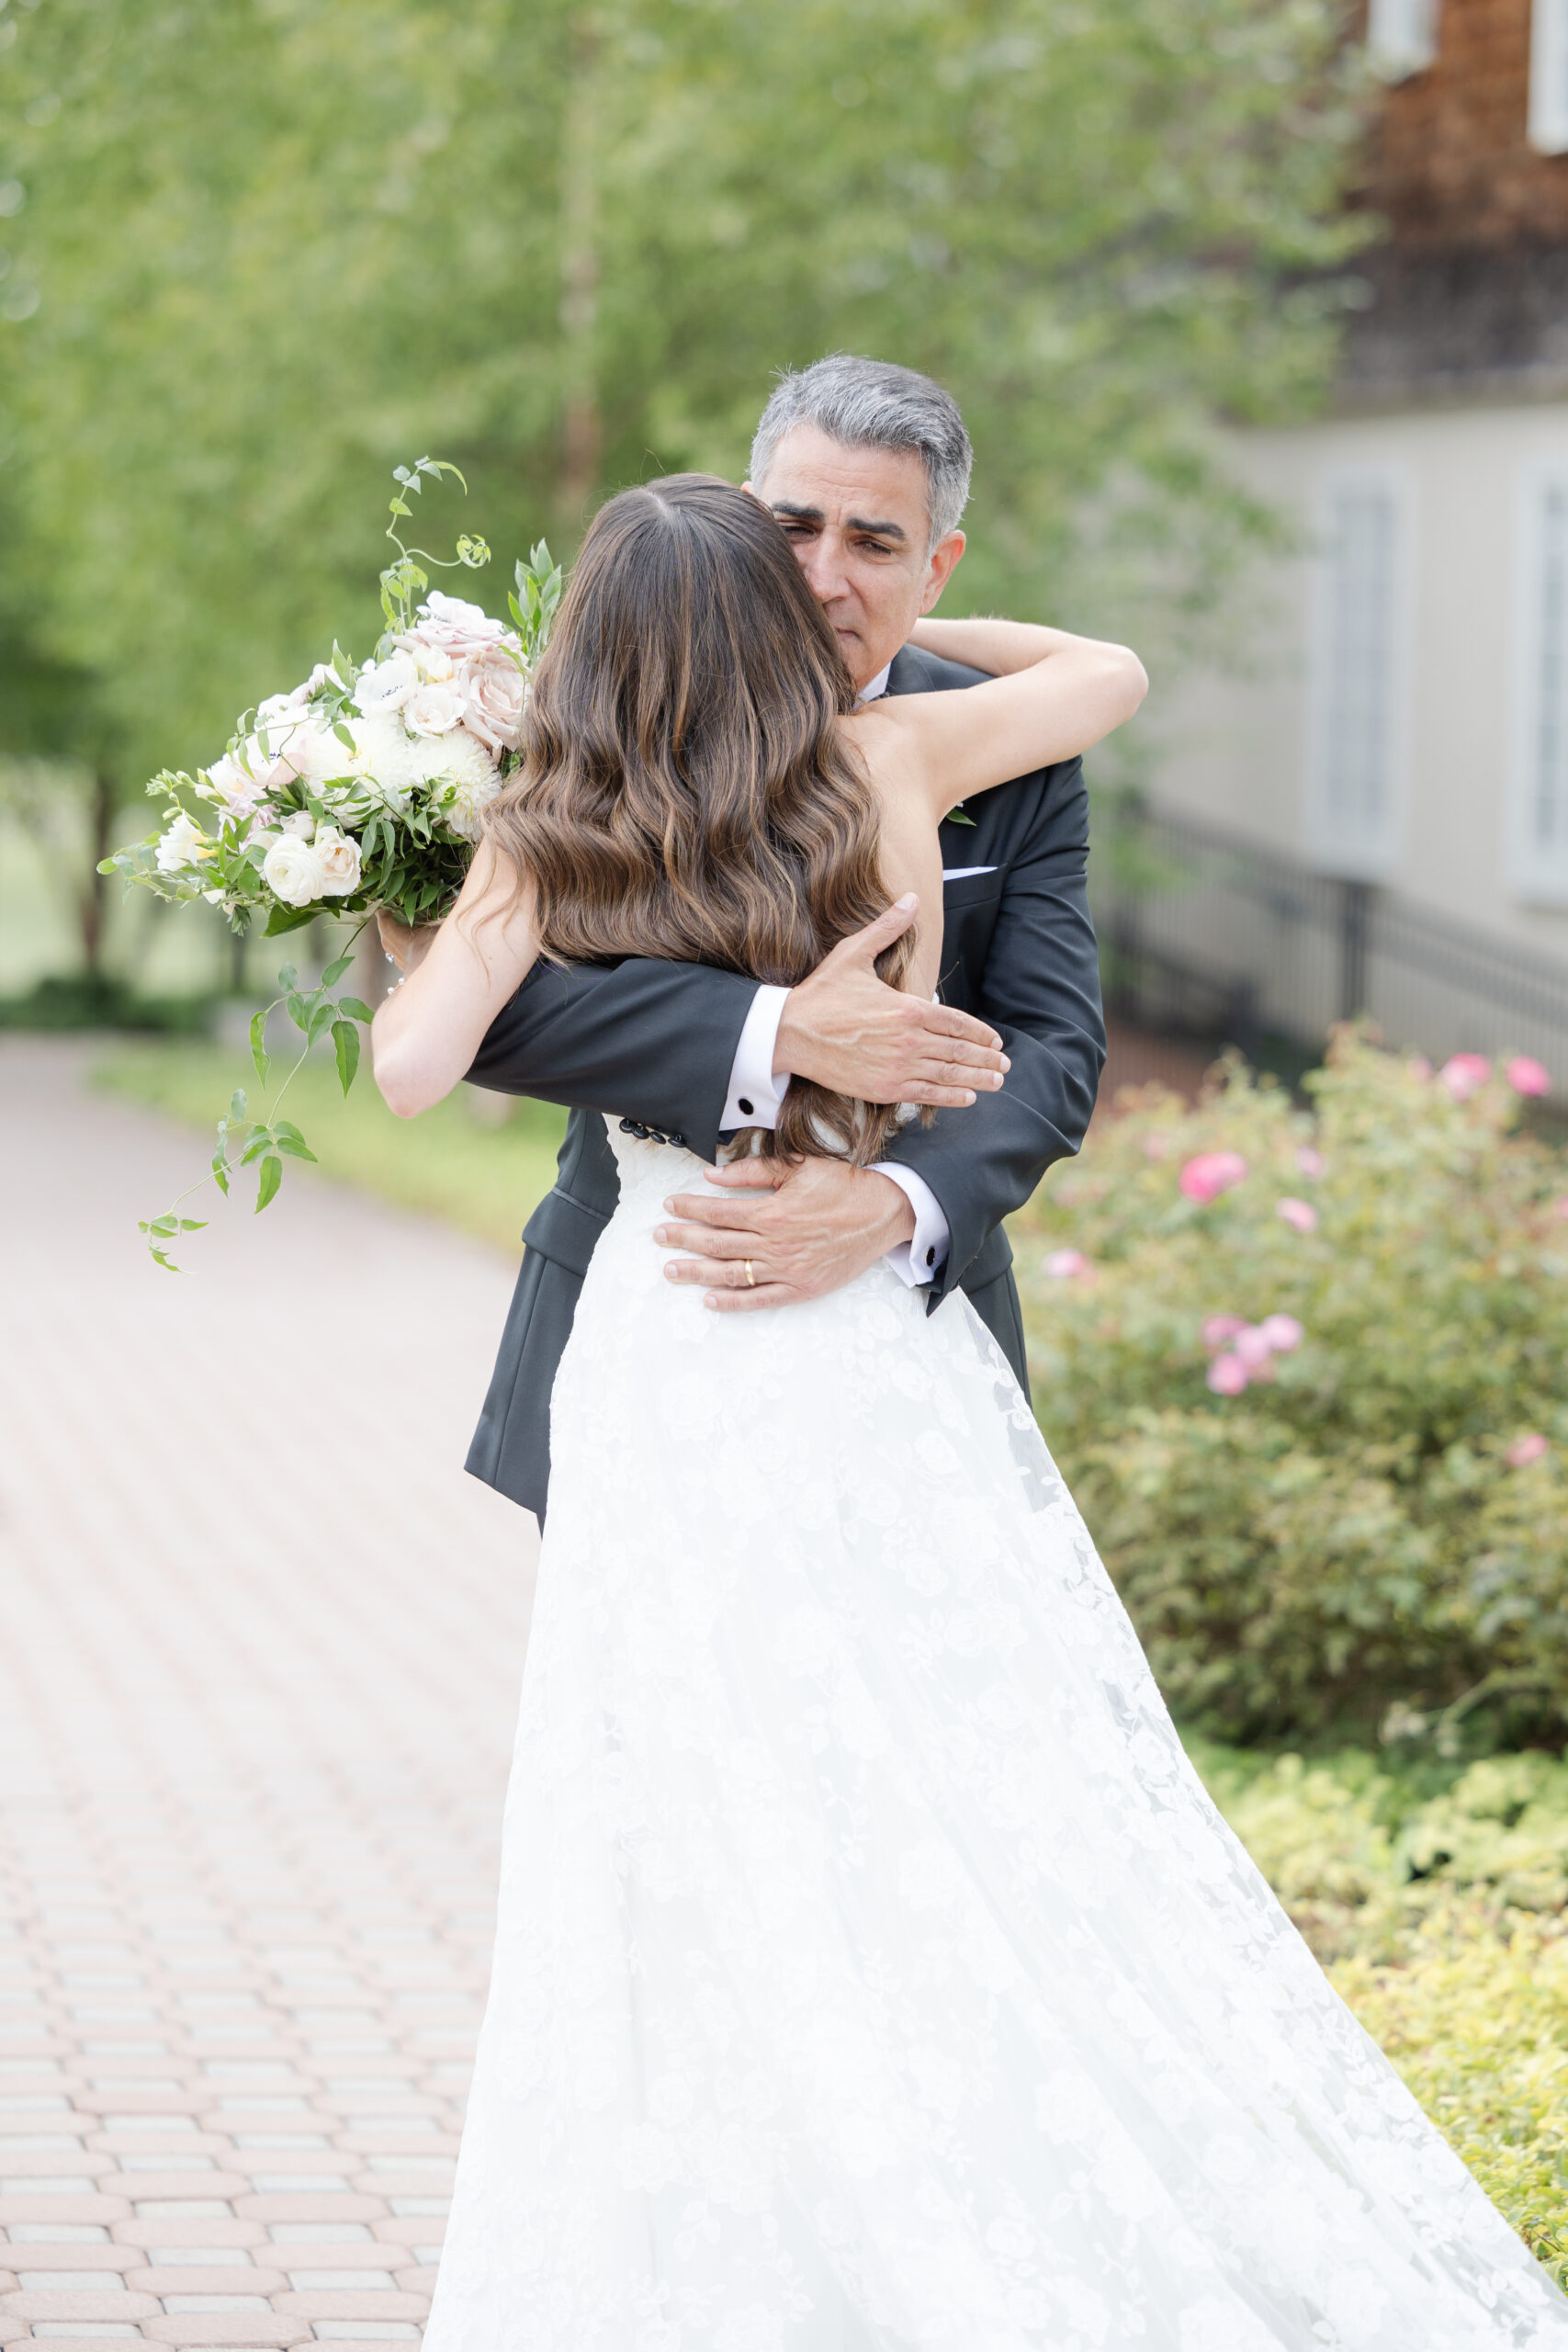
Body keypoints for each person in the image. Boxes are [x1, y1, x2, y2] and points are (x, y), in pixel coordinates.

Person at [373, 475, 1568, 2346]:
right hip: (856, 1353)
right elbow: (1111, 665)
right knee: (950, 1768)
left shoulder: (546, 823)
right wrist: (923, 657)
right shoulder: (899, 752)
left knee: (688, 1780)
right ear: (773, 621)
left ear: (589, 647)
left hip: (678, 1332)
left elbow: (415, 1062)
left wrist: (485, 850)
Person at [448, 356, 1108, 1526]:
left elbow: (1054, 1047)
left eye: (874, 543)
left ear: (937, 564)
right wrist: (778, 1029)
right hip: (643, 1306)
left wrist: (896, 1201)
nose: (822, 578)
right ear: (744, 520)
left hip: (906, 1330)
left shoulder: (1012, 745)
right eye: (793, 527)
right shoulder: (619, 701)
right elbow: (496, 1008)